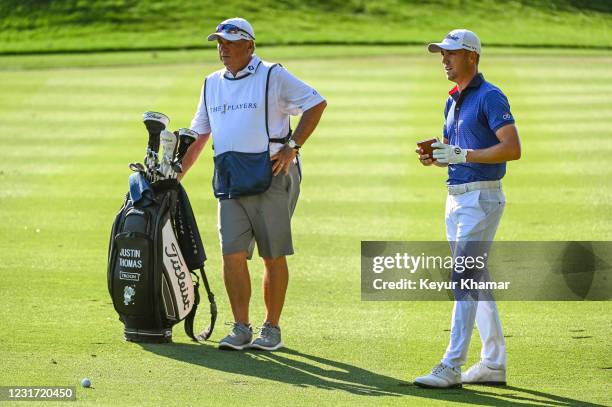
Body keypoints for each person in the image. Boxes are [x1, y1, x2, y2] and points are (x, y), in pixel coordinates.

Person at [179, 17, 327, 351]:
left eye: (230, 43)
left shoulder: (273, 75)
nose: (223, 49)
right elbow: (200, 134)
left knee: (271, 255)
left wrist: (293, 147)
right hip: (230, 178)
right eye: (219, 42)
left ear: (250, 45)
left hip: (272, 174)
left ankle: (271, 329)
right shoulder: (211, 83)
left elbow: (316, 103)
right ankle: (241, 328)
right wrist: (177, 177)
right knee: (231, 254)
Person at [414, 29, 521, 388]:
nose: (444, 59)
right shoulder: (452, 99)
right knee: (476, 280)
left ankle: (452, 364)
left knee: (465, 277)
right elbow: (457, 151)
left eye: (451, 54)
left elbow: (511, 148)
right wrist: (439, 156)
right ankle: (493, 364)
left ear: (472, 56)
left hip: (481, 198)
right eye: (441, 54)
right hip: (456, 196)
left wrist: (463, 155)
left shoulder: (491, 96)